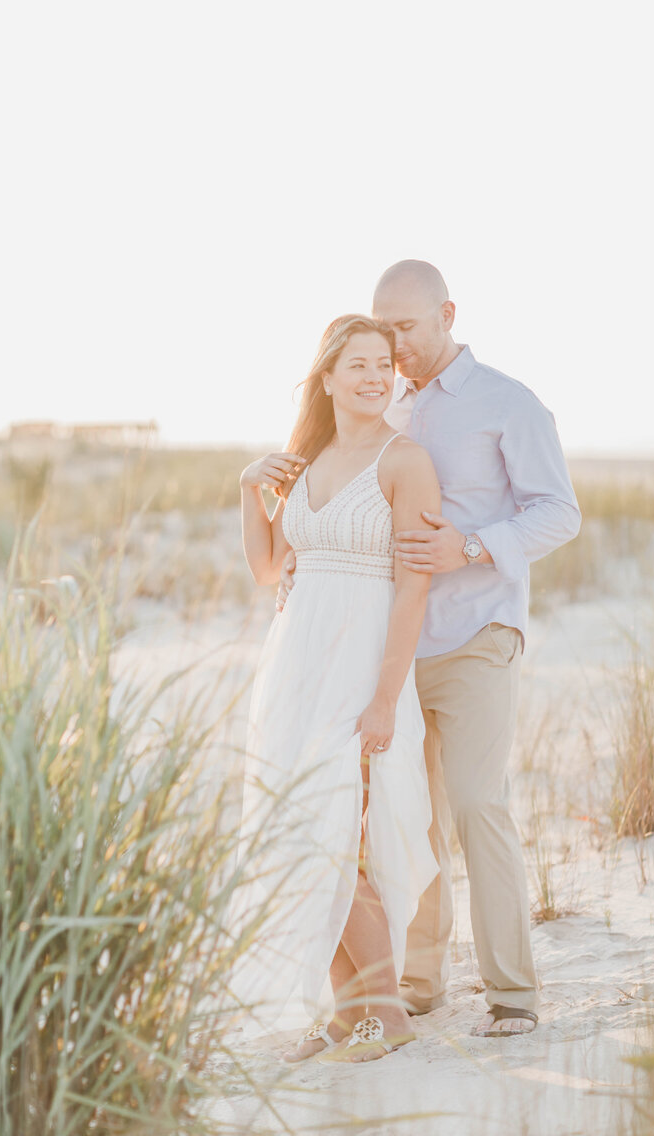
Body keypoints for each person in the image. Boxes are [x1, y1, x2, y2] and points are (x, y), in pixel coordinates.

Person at [279, 262, 582, 1037]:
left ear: (447, 312)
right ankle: (419, 984)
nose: (393, 342)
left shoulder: (507, 403)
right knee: (411, 818)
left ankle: (512, 992)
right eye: (384, 327)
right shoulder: (391, 404)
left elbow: (561, 513)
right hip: (394, 647)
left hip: (479, 633)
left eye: (406, 327)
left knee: (479, 803)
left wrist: (474, 548)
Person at [232, 314, 440, 1063]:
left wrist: (385, 698)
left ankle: (388, 1013)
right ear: (326, 377)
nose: (373, 377)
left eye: (383, 364)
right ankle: (349, 1013)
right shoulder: (307, 457)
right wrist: (248, 490)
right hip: (295, 667)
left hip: (361, 669)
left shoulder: (405, 460)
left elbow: (413, 591)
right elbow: (268, 570)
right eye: (356, 364)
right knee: (298, 835)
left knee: (340, 838)